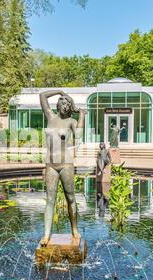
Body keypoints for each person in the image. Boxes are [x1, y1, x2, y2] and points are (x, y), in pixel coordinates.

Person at [39, 90, 86, 246]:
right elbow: (42, 96)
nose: (65, 106)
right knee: (50, 200)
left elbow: (78, 135)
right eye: (63, 102)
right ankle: (46, 235)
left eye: (68, 104)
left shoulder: (71, 121)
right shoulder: (50, 116)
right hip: (51, 164)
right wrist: (59, 91)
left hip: (66, 163)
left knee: (70, 198)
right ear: (58, 105)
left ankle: (74, 229)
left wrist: (82, 115)